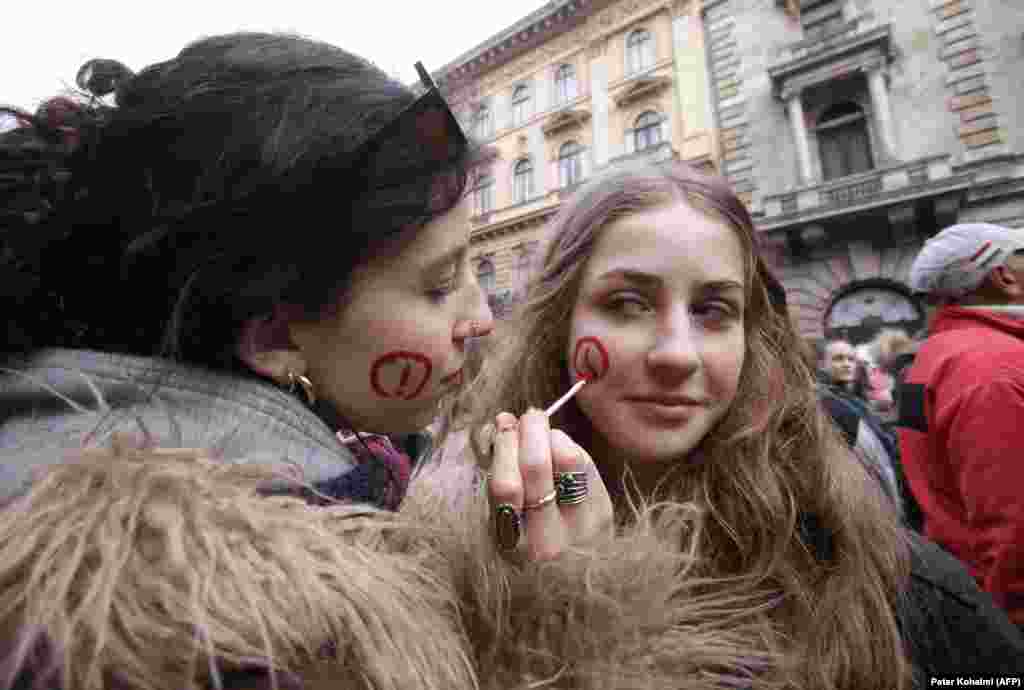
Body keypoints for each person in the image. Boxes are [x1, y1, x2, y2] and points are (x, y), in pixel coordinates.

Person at [462, 162, 1024, 685]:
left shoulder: (896, 586)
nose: (678, 355)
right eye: (628, 303)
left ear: (750, 339)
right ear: (557, 326)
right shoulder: (461, 577)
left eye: (713, 311)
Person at [0, 33, 498, 512]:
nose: (483, 318)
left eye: (471, 264)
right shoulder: (297, 547)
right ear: (273, 337)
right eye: (439, 285)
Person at [900, 221, 1024, 628]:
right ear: (1004, 275)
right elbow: (1013, 526)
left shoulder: (939, 354)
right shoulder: (992, 367)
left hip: (970, 594)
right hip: (1000, 610)